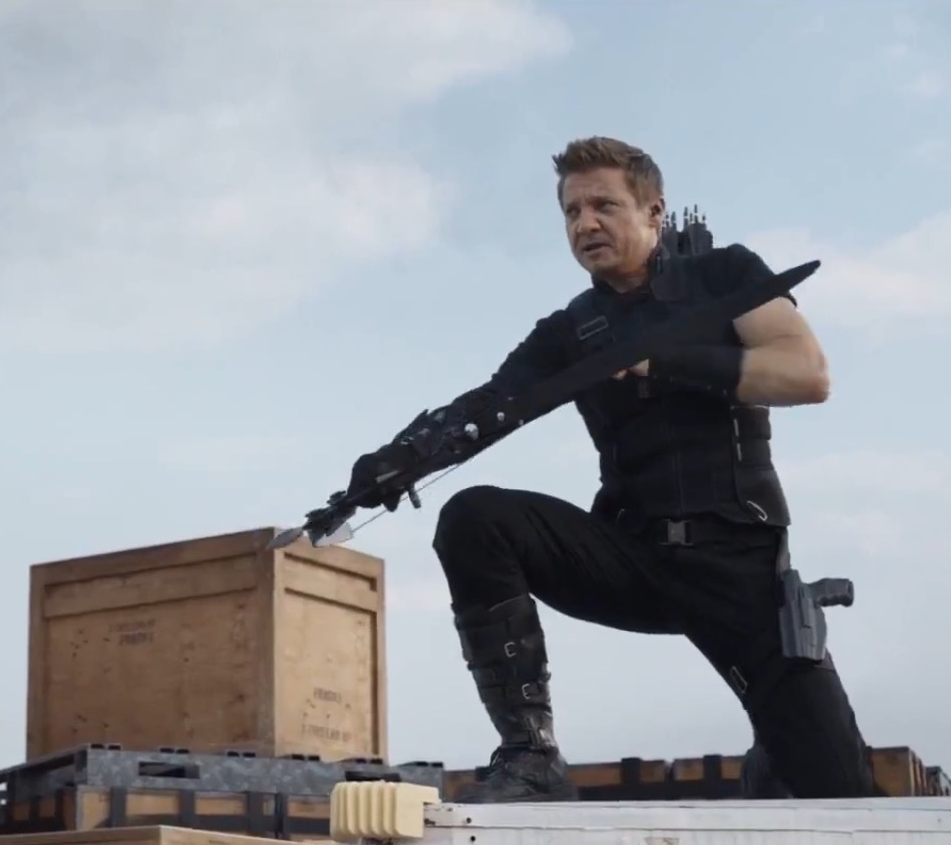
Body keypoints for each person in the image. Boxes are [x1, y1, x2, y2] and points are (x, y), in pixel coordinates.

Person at [341, 136, 877, 803]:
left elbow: (806, 373)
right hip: (633, 556)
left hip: (738, 568)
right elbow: (492, 405)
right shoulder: (570, 331)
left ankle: (775, 753)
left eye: (603, 206)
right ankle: (532, 758)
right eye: (571, 211)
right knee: (476, 518)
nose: (584, 223)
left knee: (841, 791)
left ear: (654, 211)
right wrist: (402, 459)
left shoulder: (725, 275)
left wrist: (661, 359)